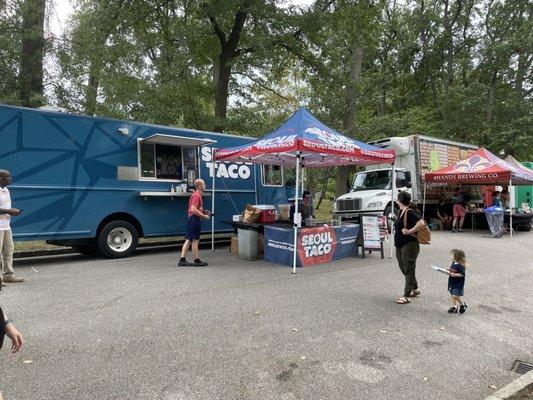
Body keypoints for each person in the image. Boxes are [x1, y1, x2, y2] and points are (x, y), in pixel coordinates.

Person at [394, 191, 426, 304]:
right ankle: (415, 289)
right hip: (400, 245)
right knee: (404, 268)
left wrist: (409, 231)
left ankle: (406, 296)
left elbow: (422, 223)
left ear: (399, 201)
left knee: (408, 269)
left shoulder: (410, 212)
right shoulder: (400, 211)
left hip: (409, 245)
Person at [178, 179, 210, 267]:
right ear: (200, 186)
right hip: (194, 219)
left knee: (189, 239)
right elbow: (193, 209)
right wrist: (204, 216)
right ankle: (197, 260)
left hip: (192, 218)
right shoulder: (197, 195)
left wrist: (203, 211)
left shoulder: (195, 195)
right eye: (204, 184)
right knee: (195, 240)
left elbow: (195, 208)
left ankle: (182, 260)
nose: (205, 185)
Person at [0, 170, 24, 283]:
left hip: (6, 226)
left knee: (8, 250)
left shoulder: (6, 190)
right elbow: (6, 209)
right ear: (0, 178)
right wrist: (9, 211)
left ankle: (8, 275)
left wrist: (13, 211)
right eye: (8, 177)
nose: (10, 179)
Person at [446, 249, 467, 314]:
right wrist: (450, 269)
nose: (450, 257)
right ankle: (455, 307)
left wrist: (454, 274)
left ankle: (463, 305)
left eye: (452, 255)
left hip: (458, 283)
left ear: (456, 256)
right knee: (452, 294)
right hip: (452, 281)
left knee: (455, 295)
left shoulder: (460, 266)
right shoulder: (453, 263)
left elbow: (462, 274)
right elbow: (454, 270)